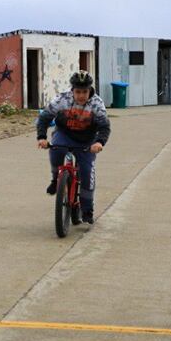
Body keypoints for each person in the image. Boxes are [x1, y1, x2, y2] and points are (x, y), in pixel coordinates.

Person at [36, 70, 111, 225]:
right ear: (72, 90)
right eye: (78, 92)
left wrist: (99, 142)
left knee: (87, 172)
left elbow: (104, 126)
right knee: (55, 152)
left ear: (90, 90)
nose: (81, 96)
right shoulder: (62, 99)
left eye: (85, 92)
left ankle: (87, 210)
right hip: (65, 134)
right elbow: (44, 117)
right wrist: (42, 137)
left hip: (87, 141)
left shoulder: (97, 103)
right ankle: (56, 179)